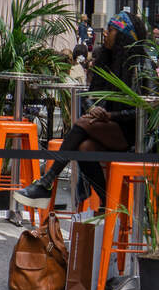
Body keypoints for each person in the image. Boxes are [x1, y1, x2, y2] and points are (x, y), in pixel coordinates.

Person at [16, 14, 143, 207]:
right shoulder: (104, 60)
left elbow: (142, 111)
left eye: (111, 30)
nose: (106, 34)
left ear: (123, 36)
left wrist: (108, 115)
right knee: (84, 149)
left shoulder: (140, 65)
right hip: (105, 126)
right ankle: (107, 201)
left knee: (82, 123)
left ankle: (46, 182)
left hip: (133, 133)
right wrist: (95, 109)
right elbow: (90, 96)